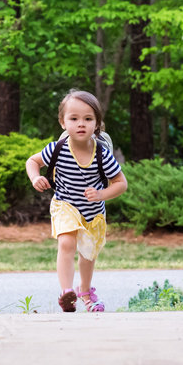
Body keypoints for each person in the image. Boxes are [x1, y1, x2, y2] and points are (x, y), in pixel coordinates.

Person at [24, 89, 128, 312]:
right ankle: (67, 292)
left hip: (93, 212)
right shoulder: (57, 149)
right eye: (74, 118)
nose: (81, 124)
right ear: (63, 122)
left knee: (87, 255)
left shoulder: (102, 153)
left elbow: (121, 183)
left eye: (88, 119)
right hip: (65, 204)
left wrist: (101, 194)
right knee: (67, 242)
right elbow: (32, 162)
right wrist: (35, 177)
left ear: (97, 124)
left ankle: (85, 290)